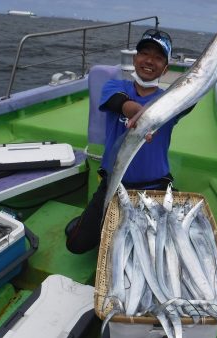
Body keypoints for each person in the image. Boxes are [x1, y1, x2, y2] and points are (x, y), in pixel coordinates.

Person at [66, 29, 192, 254]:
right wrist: (137, 112)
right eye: (144, 53)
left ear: (166, 68)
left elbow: (191, 97)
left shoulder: (169, 102)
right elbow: (118, 103)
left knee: (154, 251)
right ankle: (87, 220)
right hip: (113, 183)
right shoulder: (115, 88)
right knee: (76, 245)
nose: (149, 61)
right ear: (134, 59)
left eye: (158, 57)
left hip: (156, 187)